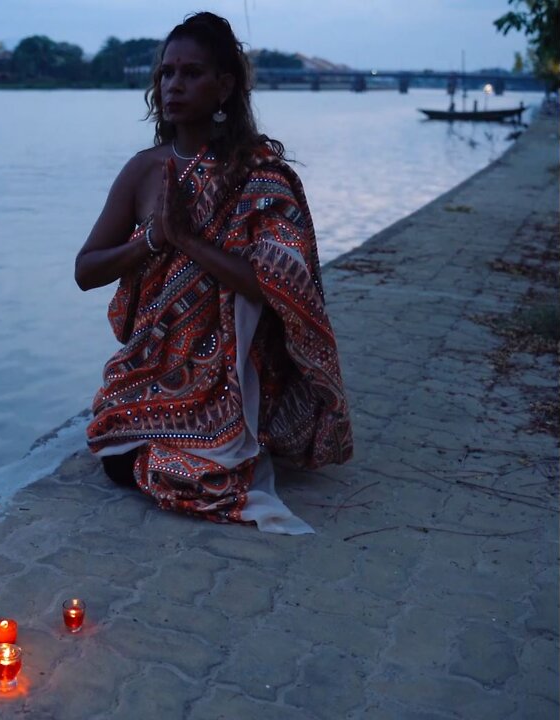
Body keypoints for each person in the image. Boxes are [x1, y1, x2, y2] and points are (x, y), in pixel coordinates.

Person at [74, 12, 353, 534]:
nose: (174, 85)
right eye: (166, 73)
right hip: (152, 368)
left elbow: (277, 285)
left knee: (207, 470)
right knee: (112, 447)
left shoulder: (259, 175)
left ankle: (229, 435)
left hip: (233, 374)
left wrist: (186, 240)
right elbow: (86, 270)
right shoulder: (144, 170)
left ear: (225, 86)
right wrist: (154, 238)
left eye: (192, 73)